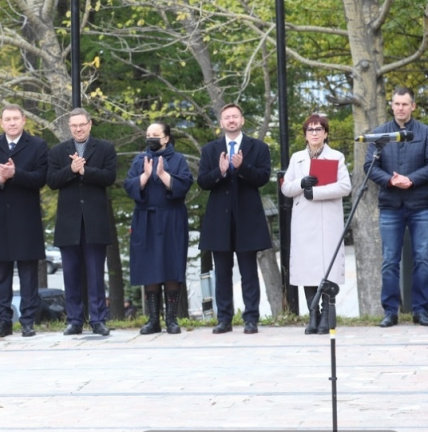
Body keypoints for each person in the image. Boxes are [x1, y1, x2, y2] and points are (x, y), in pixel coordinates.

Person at [197, 104, 272, 334]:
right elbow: (202, 181)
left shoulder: (258, 147)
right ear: (221, 122)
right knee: (222, 272)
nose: (231, 120)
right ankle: (224, 319)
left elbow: (262, 177)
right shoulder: (211, 150)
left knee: (249, 271)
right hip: (219, 219)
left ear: (242, 120)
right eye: (227, 117)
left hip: (248, 217)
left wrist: (242, 167)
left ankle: (251, 318)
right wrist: (219, 172)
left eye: (235, 117)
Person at [0, 103, 49, 338]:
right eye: (7, 119)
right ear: (1, 123)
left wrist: (15, 174)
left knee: (28, 274)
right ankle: (3, 321)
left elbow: (41, 178)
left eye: (15, 118)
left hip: (26, 218)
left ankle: (28, 321)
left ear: (24, 120)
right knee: (0, 275)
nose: (12, 122)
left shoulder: (37, 145)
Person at [49, 108, 118, 336]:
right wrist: (71, 169)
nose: (78, 129)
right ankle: (75, 320)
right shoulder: (59, 151)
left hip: (95, 221)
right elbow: (52, 181)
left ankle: (98, 319)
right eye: (74, 126)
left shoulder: (105, 148)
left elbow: (109, 177)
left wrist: (85, 171)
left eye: (82, 124)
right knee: (70, 273)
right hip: (69, 222)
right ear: (69, 128)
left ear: (90, 124)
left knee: (96, 274)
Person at [281, 115, 352, 334]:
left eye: (318, 129)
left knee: (327, 266)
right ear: (305, 135)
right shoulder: (297, 158)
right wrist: (301, 184)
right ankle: (314, 315)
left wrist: (317, 192)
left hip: (327, 219)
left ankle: (327, 315)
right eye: (310, 129)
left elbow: (345, 186)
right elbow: (286, 188)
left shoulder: (336, 157)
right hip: (304, 219)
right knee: (307, 267)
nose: (314, 133)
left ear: (326, 133)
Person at [364, 87, 428, 327]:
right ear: (391, 105)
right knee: (390, 260)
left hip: (421, 205)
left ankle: (421, 310)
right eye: (397, 103)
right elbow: (369, 165)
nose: (400, 107)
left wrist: (411, 179)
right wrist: (390, 180)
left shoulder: (425, 133)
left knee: (423, 259)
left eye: (405, 104)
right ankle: (390, 311)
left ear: (413, 106)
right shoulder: (380, 134)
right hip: (390, 205)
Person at [123, 121, 193, 334]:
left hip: (172, 218)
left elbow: (185, 185)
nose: (151, 138)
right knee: (149, 267)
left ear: (165, 138)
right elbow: (129, 185)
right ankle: (153, 319)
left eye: (155, 134)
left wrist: (164, 176)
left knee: (172, 265)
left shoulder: (179, 159)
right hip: (146, 219)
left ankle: (172, 319)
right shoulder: (139, 160)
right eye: (148, 134)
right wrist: (144, 176)